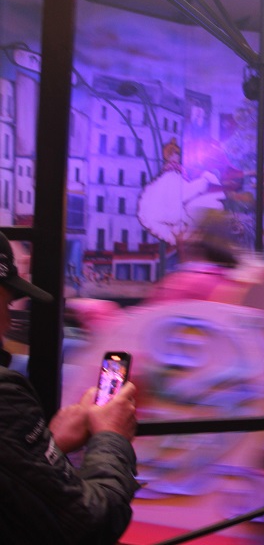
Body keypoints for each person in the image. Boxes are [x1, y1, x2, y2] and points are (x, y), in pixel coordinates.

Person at [0, 232, 140, 544]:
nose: (8, 322)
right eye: (7, 303)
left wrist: (47, 449)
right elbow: (90, 523)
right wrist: (111, 437)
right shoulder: (5, 393)